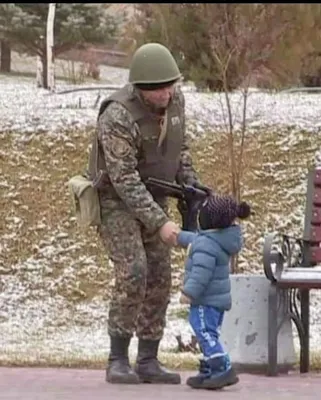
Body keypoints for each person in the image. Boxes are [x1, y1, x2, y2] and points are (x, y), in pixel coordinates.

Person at [86, 42, 209, 385]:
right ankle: (117, 358)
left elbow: (178, 148)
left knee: (159, 274)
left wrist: (191, 188)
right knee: (134, 270)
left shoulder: (175, 101)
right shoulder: (117, 115)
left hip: (156, 195)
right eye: (159, 89)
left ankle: (149, 359)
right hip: (115, 201)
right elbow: (123, 179)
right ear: (141, 89)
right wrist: (161, 222)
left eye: (171, 85)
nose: (167, 94)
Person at [176, 193, 251, 390]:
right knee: (209, 334)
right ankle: (208, 370)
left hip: (204, 300)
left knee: (203, 332)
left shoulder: (207, 244)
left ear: (209, 220)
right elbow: (196, 239)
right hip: (216, 301)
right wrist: (178, 236)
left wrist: (189, 293)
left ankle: (222, 368)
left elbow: (201, 273)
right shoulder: (218, 239)